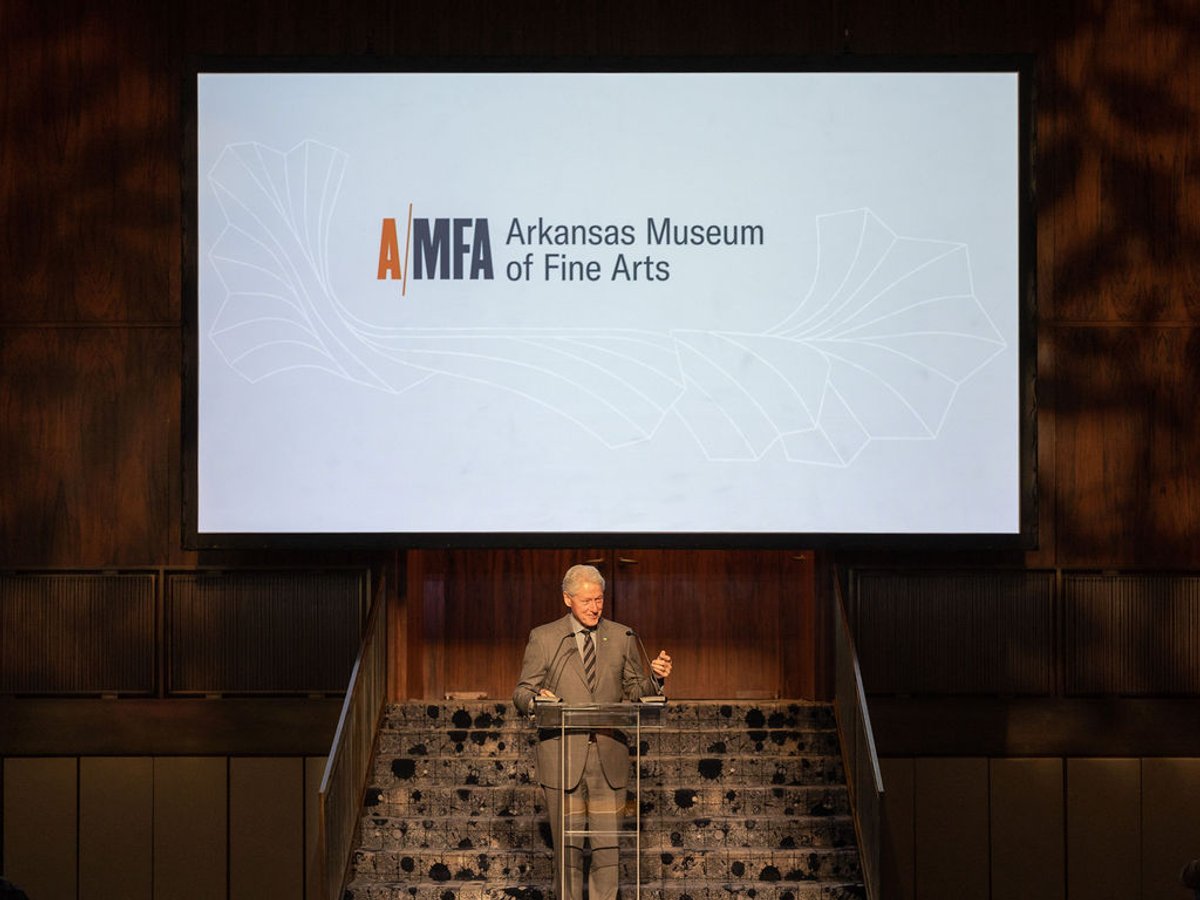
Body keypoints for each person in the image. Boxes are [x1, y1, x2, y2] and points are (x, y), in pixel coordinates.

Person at [513, 564, 672, 900]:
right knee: (568, 850)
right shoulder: (545, 638)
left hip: (609, 757)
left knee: (607, 849)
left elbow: (634, 691)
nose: (594, 607)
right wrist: (537, 701)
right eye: (586, 600)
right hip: (562, 758)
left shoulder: (623, 636)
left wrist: (655, 679)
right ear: (567, 599)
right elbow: (522, 691)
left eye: (599, 599)